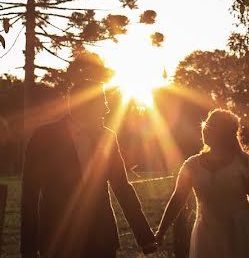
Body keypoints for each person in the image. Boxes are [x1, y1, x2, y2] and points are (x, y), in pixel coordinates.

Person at [20, 78, 158, 258]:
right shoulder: (44, 137)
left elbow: (122, 187)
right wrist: (29, 248)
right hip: (59, 239)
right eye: (102, 102)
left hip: (102, 239)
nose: (107, 109)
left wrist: (145, 237)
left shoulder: (107, 136)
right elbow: (30, 193)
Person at [155, 108, 249, 258]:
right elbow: (177, 199)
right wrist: (161, 232)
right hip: (206, 234)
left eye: (211, 126)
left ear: (225, 134)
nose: (205, 130)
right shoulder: (192, 165)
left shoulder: (245, 164)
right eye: (206, 125)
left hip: (239, 233)